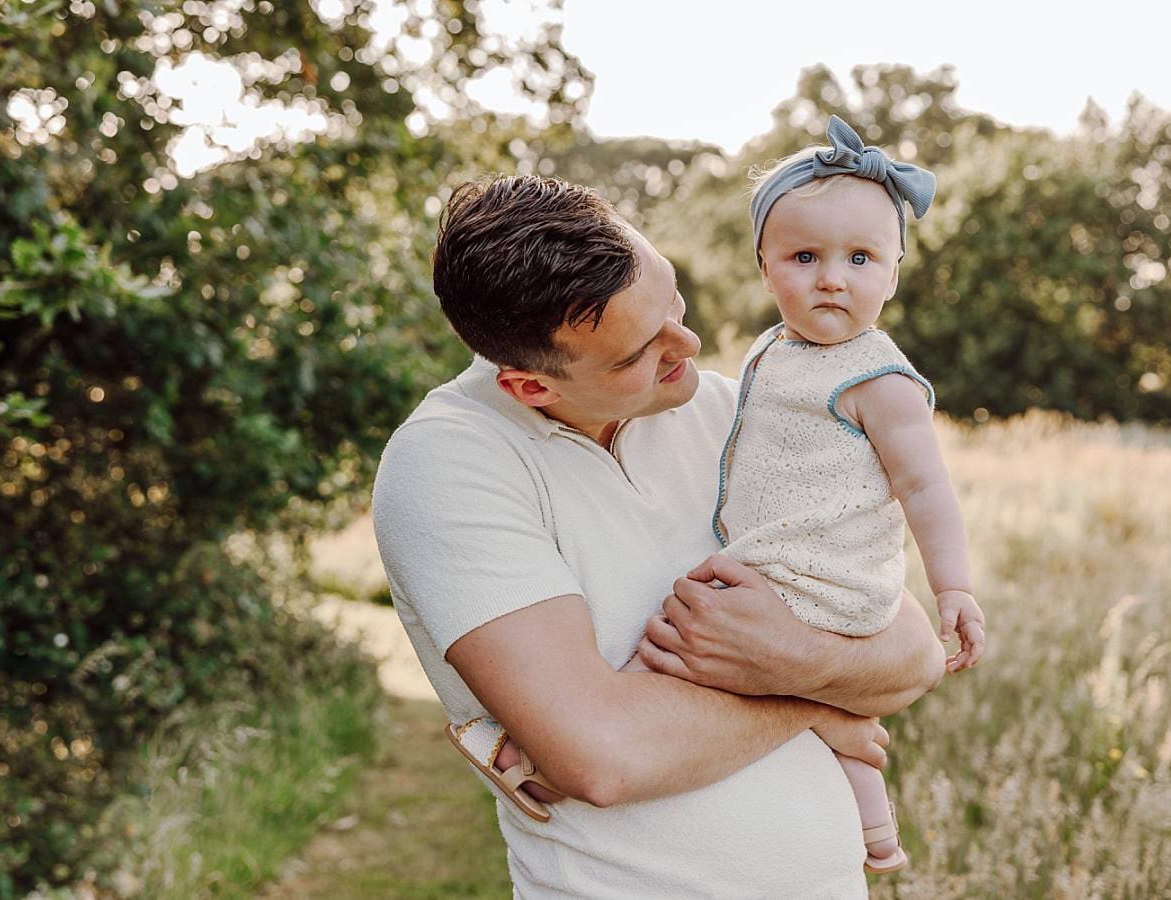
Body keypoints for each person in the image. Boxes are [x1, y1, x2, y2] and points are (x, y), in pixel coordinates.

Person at [371, 173, 946, 898]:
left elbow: (914, 652)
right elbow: (603, 758)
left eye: (672, 302)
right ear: (532, 387)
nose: (689, 343)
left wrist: (787, 661)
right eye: (640, 351)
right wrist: (820, 695)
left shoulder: (740, 411)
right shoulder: (448, 464)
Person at [716, 116, 986, 873]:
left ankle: (551, 736)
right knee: (712, 632)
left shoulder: (879, 378)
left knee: (681, 635)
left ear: (894, 274)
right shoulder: (773, 349)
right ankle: (870, 821)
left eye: (861, 258)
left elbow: (926, 487)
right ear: (765, 266)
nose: (833, 277)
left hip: (826, 576)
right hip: (781, 561)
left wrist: (953, 586)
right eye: (805, 256)